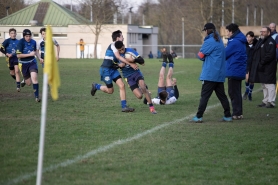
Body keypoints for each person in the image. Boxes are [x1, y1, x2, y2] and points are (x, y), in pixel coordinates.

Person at [191, 23, 232, 123]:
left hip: (210, 74)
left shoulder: (209, 41)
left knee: (204, 96)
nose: (204, 33)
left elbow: (200, 55)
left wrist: (203, 56)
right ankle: (228, 115)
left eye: (204, 31)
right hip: (219, 74)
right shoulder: (219, 40)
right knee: (222, 96)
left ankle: (199, 116)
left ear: (207, 31)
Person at [90, 30, 139, 112]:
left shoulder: (120, 48)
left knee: (122, 85)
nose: (123, 37)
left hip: (113, 69)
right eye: (122, 36)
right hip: (105, 70)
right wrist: (131, 64)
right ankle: (96, 86)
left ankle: (124, 107)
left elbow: (119, 60)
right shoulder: (113, 45)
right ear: (117, 38)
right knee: (110, 91)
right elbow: (118, 57)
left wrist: (122, 64)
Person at [114, 41, 157, 114]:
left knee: (143, 87)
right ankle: (144, 89)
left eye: (122, 49)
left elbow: (142, 61)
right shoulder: (116, 56)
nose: (121, 51)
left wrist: (133, 60)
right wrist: (119, 65)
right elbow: (113, 66)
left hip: (136, 73)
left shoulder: (130, 51)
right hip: (128, 77)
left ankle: (152, 108)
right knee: (139, 96)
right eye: (119, 50)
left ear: (124, 45)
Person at [249, 26, 277, 108]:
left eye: (264, 32)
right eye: (261, 31)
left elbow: (270, 55)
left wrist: (262, 62)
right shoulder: (262, 41)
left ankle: (271, 102)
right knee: (264, 84)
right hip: (262, 66)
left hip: (269, 66)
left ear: (268, 32)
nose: (262, 33)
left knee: (270, 84)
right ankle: (265, 101)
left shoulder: (271, 41)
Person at [225, 23, 247, 120]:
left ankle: (236, 113)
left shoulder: (234, 42)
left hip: (234, 69)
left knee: (233, 92)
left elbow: (225, 54)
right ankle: (239, 113)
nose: (227, 34)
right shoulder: (240, 40)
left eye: (227, 31)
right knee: (237, 92)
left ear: (231, 31)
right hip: (238, 69)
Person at [16, 29, 41, 102]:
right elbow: (18, 55)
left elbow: (35, 51)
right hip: (23, 64)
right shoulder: (20, 42)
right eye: (27, 36)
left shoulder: (33, 42)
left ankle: (37, 97)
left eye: (29, 36)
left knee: (34, 78)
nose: (28, 37)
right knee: (29, 83)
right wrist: (29, 54)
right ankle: (25, 79)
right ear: (24, 36)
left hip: (32, 62)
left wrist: (39, 58)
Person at [243, 31, 258, 101]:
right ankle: (246, 91)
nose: (248, 38)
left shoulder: (256, 44)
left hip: (254, 63)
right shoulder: (244, 44)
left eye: (249, 37)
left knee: (252, 80)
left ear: (252, 38)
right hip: (246, 63)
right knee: (247, 78)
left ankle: (249, 94)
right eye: (247, 37)